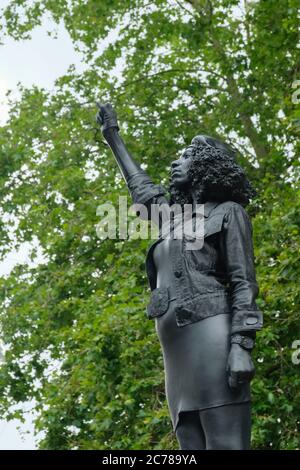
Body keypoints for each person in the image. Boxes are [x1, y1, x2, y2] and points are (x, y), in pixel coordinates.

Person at [96, 102, 263, 450]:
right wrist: (112, 136)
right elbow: (141, 189)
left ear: (206, 166)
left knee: (226, 444)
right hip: (175, 350)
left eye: (186, 156)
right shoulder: (173, 218)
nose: (175, 162)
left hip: (212, 337)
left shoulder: (229, 213)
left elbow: (244, 281)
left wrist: (241, 345)